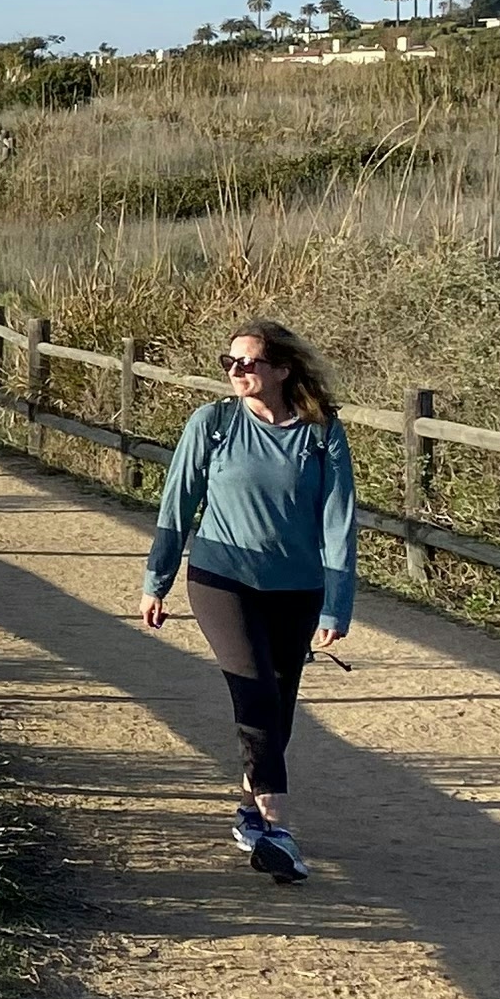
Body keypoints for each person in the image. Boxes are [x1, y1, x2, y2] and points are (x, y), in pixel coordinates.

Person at [139, 320, 357, 884]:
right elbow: (177, 503)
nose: (236, 371)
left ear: (282, 370)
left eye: (249, 362)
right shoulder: (212, 423)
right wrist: (156, 579)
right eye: (229, 362)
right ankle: (278, 828)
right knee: (255, 689)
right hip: (221, 578)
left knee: (280, 701)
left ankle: (249, 813)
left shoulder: (321, 433)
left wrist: (337, 604)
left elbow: (338, 522)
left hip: (297, 586)